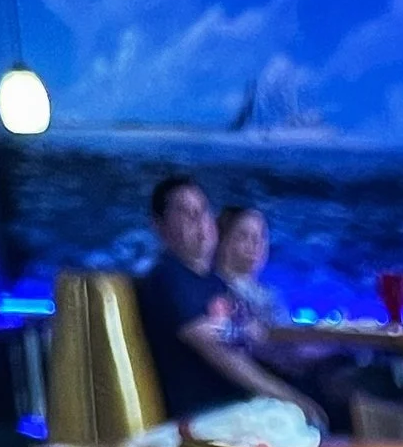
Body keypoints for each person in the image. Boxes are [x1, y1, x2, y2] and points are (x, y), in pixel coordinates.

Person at [132, 174, 315, 424]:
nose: (201, 220)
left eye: (204, 210)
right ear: (160, 226)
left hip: (238, 401)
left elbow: (254, 338)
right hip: (209, 412)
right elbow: (222, 354)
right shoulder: (168, 278)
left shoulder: (212, 282)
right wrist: (289, 397)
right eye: (186, 212)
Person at [213, 203, 286, 337]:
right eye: (244, 236)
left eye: (262, 236)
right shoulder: (211, 291)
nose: (256, 243)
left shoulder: (269, 296)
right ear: (223, 241)